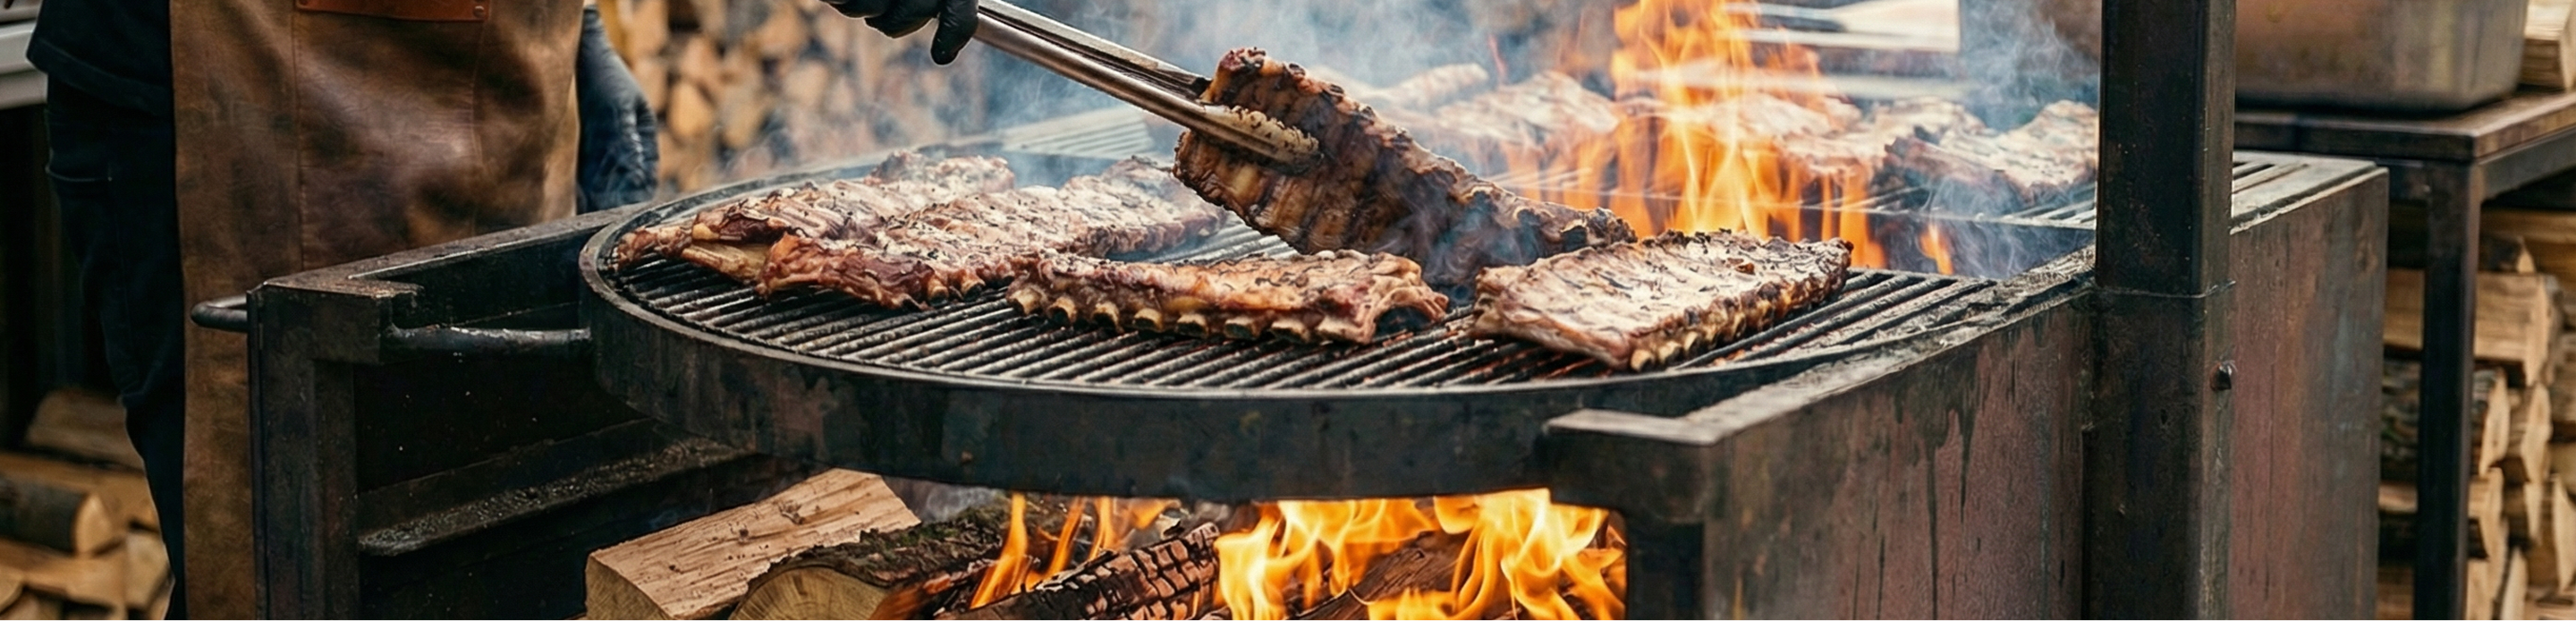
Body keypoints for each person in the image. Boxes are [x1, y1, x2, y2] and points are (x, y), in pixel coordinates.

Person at [30, 0, 977, 616]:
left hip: (492, 54)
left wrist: (587, 31)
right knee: (291, 563)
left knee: (482, 537)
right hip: (232, 80)